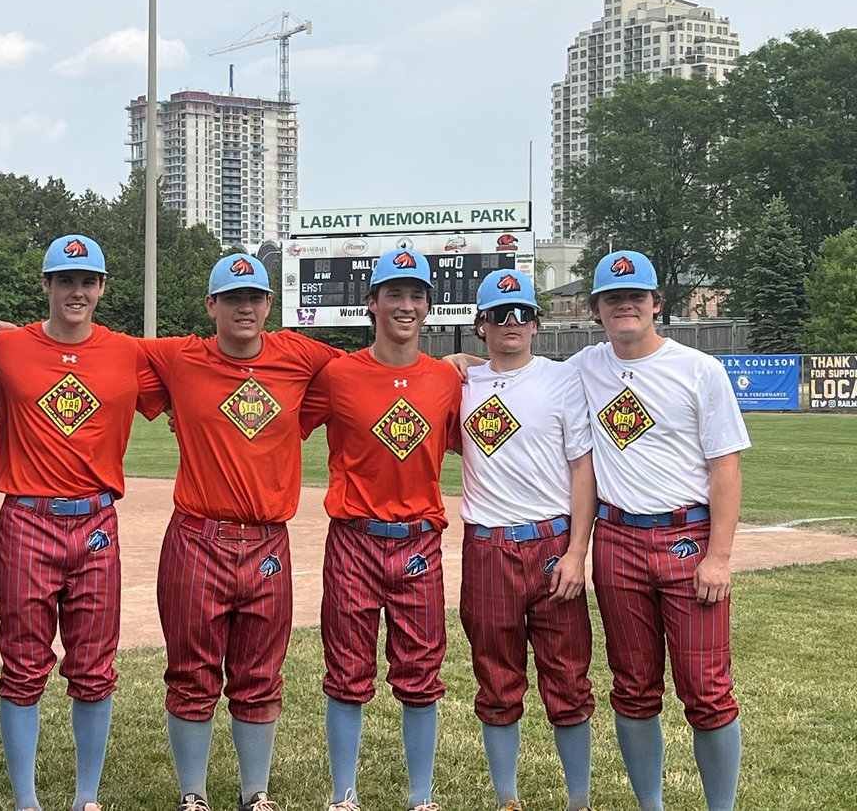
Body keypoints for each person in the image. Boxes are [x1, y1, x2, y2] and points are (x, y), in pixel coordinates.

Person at [141, 253, 344, 811]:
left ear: (269, 304)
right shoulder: (180, 357)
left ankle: (256, 792)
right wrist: (5, 331)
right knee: (190, 670)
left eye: (254, 297)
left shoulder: (300, 356)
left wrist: (454, 367)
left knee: (259, 672)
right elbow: (97, 351)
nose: (245, 307)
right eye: (232, 298)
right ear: (212, 305)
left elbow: (369, 369)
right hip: (197, 536)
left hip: (266, 542)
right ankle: (193, 793)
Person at [0, 235, 168, 811]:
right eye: (65, 280)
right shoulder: (7, 349)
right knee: (23, 661)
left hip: (96, 520)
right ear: (47, 286)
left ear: (103, 288)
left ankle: (88, 797)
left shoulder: (129, 353)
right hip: (27, 518)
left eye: (87, 281)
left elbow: (197, 382)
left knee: (94, 664)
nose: (76, 291)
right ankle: (26, 800)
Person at [568, 250, 749, 811]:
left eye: (636, 297)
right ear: (597, 310)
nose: (625, 306)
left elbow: (726, 467)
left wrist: (718, 556)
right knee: (634, 688)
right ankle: (652, 805)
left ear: (656, 305)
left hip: (687, 538)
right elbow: (514, 367)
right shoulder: (584, 366)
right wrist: (456, 366)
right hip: (617, 539)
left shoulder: (699, 369)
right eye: (612, 299)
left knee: (707, 691)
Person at [299, 248, 462, 811]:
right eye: (395, 293)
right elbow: (280, 424)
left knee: (421, 671)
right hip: (354, 538)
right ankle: (344, 796)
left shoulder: (446, 379)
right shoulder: (339, 374)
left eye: (417, 295)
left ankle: (421, 797)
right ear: (372, 303)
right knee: (346, 669)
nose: (407, 305)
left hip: (419, 540)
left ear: (428, 308)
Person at [458, 268, 596, 811]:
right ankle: (506, 798)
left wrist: (576, 553)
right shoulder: (462, 384)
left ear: (537, 324)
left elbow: (583, 469)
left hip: (550, 543)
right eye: (498, 314)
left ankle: (578, 800)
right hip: (488, 546)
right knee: (496, 679)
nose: (511, 323)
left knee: (568, 681)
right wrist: (458, 366)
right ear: (480, 326)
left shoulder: (564, 379)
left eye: (522, 313)